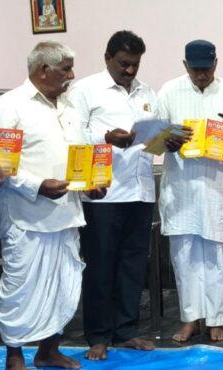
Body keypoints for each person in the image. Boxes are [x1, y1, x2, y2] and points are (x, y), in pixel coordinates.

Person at [0, 41, 107, 370]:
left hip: (67, 213)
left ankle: (48, 351)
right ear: (44, 70)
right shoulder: (10, 104)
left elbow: (80, 157)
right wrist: (38, 186)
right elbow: (1, 163)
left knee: (63, 285)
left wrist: (91, 186)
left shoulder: (70, 106)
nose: (72, 75)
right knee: (21, 287)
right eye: (66, 69)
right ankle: (14, 355)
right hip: (24, 215)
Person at [66, 30, 158, 359]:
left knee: (133, 265)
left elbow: (151, 137)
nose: (130, 70)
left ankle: (126, 331)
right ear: (107, 58)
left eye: (135, 65)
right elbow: (73, 134)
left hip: (141, 190)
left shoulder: (147, 92)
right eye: (123, 64)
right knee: (101, 265)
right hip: (103, 192)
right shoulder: (85, 90)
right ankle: (98, 335)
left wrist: (167, 140)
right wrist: (105, 137)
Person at [156, 40, 223, 343]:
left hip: (216, 187)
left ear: (216, 64)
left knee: (216, 255)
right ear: (185, 66)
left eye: (207, 69)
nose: (201, 75)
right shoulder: (169, 92)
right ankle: (190, 319)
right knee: (183, 255)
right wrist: (167, 141)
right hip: (181, 187)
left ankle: (215, 320)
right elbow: (155, 136)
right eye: (196, 69)